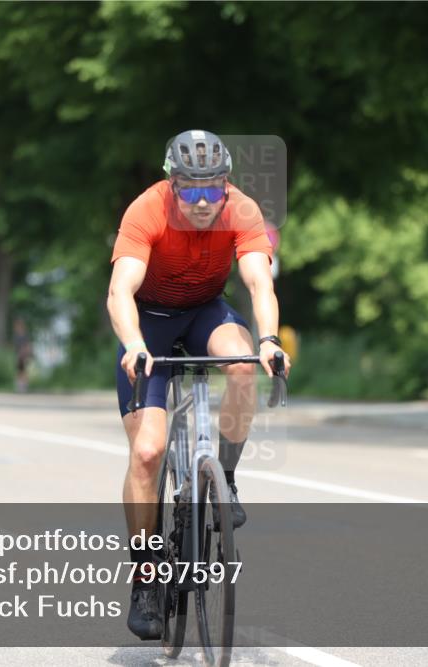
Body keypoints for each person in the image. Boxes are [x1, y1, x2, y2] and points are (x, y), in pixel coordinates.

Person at [106, 130, 292, 640]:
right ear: (173, 185)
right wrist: (133, 344)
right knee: (148, 452)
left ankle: (223, 477)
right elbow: (120, 290)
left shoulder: (242, 209)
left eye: (213, 188)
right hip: (149, 322)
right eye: (191, 189)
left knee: (242, 364)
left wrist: (269, 339)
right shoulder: (146, 210)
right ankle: (145, 577)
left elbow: (259, 282)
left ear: (226, 184)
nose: (204, 201)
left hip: (205, 312)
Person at [12, 317, 32, 393]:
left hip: (24, 355)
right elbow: (15, 347)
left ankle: (24, 386)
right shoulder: (16, 336)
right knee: (19, 371)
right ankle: (19, 386)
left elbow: (28, 345)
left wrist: (27, 354)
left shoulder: (25, 335)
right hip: (18, 356)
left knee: (24, 370)